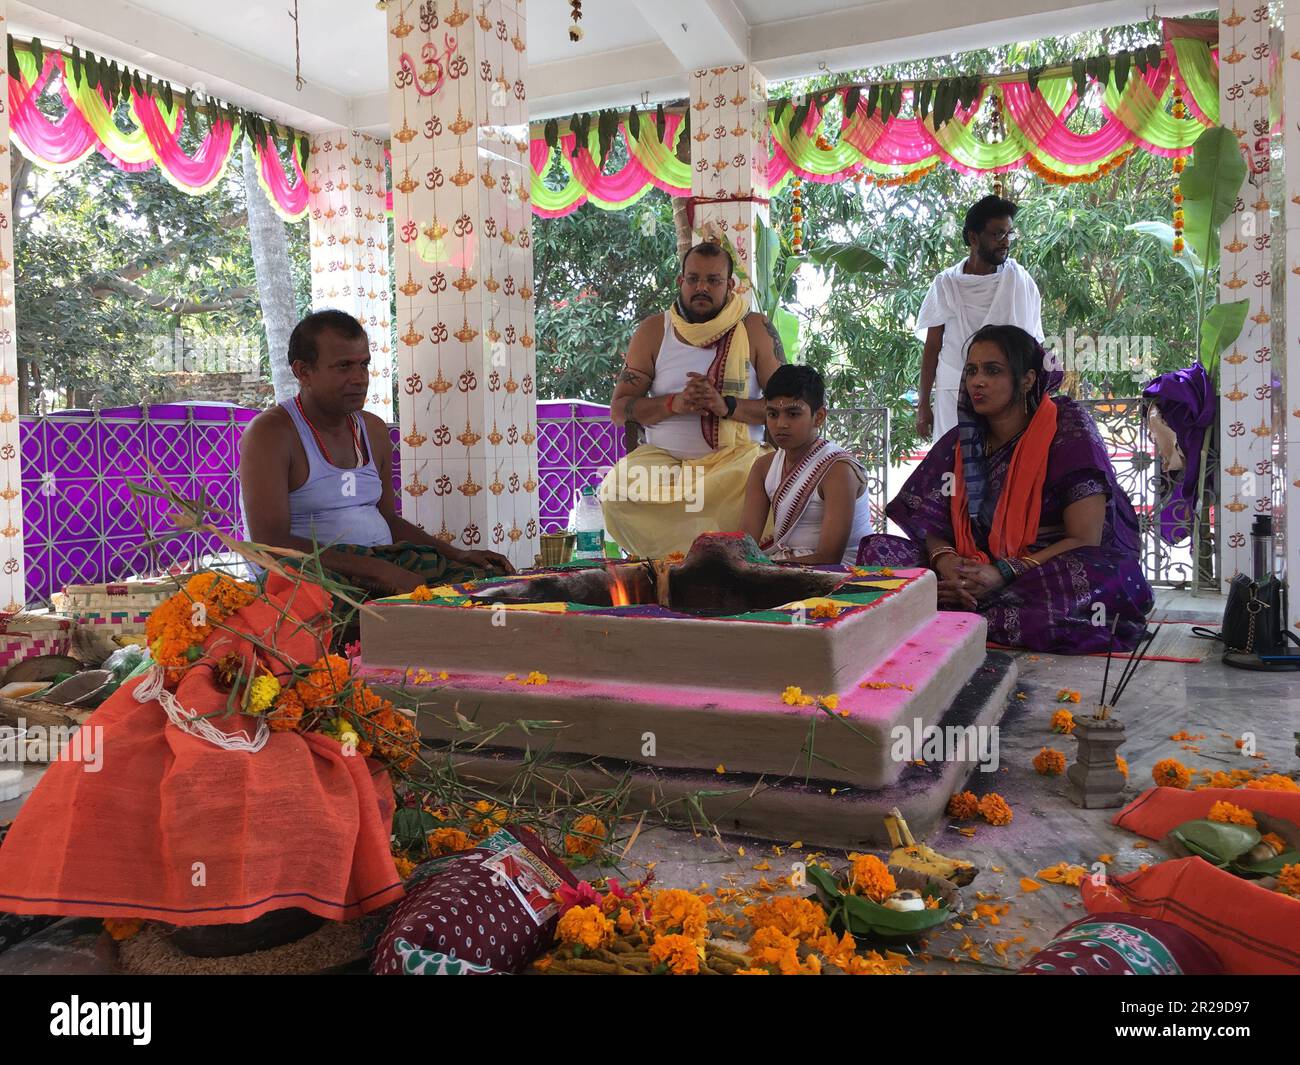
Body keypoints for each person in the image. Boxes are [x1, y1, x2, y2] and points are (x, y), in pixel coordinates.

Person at [858, 324, 1153, 653]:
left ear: (1027, 379)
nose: (977, 382)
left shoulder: (1068, 428)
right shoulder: (961, 442)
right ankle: (963, 600)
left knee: (1097, 579)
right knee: (877, 555)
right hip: (970, 565)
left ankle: (947, 606)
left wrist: (1002, 571)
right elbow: (932, 524)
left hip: (1042, 566)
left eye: (992, 371)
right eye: (971, 371)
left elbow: (1085, 538)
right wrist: (947, 565)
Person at [239, 310, 513, 598]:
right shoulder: (270, 433)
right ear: (303, 372)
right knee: (371, 609)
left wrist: (457, 554)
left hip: (382, 558)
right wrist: (371, 570)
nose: (359, 378)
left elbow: (388, 519)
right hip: (312, 578)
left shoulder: (372, 428)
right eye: (344, 366)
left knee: (486, 579)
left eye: (364, 365)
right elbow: (269, 542)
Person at [600, 241, 783, 558]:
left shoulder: (755, 328)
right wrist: (674, 405)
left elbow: (786, 407)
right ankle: (669, 568)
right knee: (616, 492)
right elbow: (619, 410)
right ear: (680, 281)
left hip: (735, 464)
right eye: (693, 278)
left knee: (757, 487)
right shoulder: (654, 330)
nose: (702, 287)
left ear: (729, 285)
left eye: (713, 280)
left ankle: (725, 569)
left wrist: (725, 406)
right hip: (666, 465)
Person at [916, 195, 1043, 443]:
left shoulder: (1019, 279)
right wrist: (923, 404)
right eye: (997, 234)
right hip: (954, 391)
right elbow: (932, 347)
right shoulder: (946, 283)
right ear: (973, 238)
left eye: (1009, 234)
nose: (1005, 242)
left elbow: (1033, 345)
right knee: (955, 466)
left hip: (1007, 392)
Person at [740, 365, 872, 565]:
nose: (781, 424)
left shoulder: (838, 470)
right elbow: (745, 544)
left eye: (793, 414)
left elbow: (829, 557)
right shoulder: (763, 467)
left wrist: (767, 569)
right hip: (784, 569)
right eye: (773, 414)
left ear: (818, 417)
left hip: (842, 575)